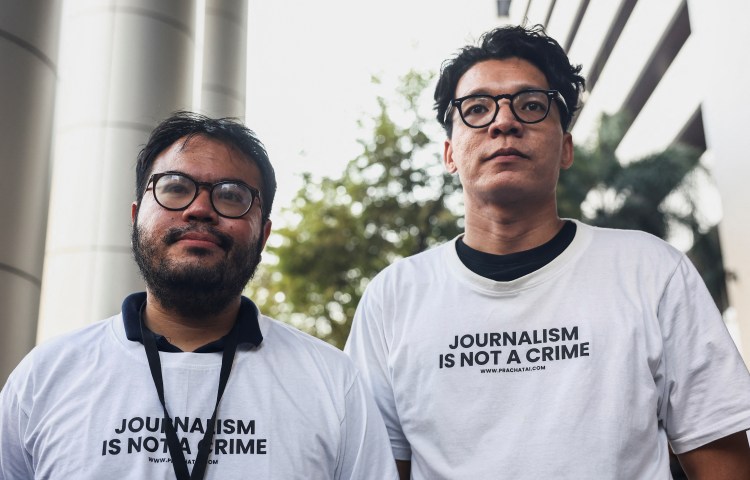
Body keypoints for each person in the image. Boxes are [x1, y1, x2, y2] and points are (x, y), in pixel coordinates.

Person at [344, 24, 750, 479]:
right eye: (476, 108)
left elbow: (720, 456)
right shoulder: (393, 298)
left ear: (566, 149)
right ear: (449, 153)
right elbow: (379, 467)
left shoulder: (652, 270)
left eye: (532, 105)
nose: (504, 122)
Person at [0, 111, 398, 479]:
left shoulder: (333, 383)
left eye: (231, 195)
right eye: (175, 187)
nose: (201, 209)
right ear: (136, 215)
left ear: (263, 234)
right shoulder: (44, 378)